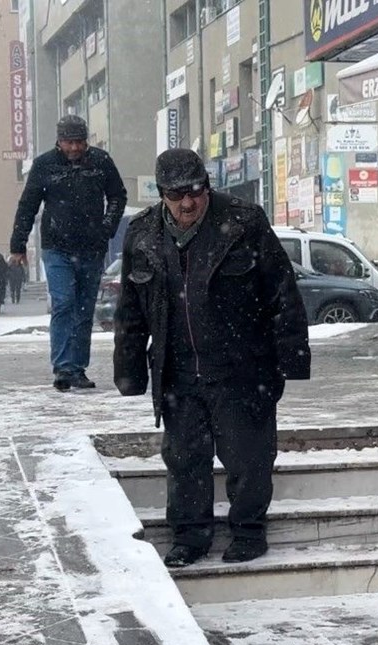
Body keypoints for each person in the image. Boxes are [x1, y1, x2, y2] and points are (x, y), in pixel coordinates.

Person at [113, 149, 309, 567]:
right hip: (178, 370)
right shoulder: (143, 234)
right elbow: (131, 308)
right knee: (184, 459)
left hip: (241, 367)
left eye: (196, 191)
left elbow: (281, 290)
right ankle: (190, 536)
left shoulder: (243, 221)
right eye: (176, 194)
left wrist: (291, 356)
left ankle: (249, 530)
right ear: (162, 194)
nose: (188, 203)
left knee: (248, 455)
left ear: (207, 185)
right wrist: (128, 369)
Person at [10, 114, 127, 391]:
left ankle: (78, 368)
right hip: (57, 247)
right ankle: (62, 367)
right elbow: (27, 205)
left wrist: (107, 227)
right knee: (63, 303)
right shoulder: (44, 166)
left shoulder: (101, 162)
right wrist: (18, 245)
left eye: (79, 142)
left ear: (86, 141)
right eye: (68, 142)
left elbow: (118, 196)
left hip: (92, 247)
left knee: (85, 309)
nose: (74, 148)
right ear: (59, 141)